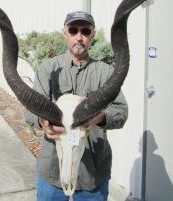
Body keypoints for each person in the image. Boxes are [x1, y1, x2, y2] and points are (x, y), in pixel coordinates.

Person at [25, 11, 128, 201]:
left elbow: (121, 111)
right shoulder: (47, 69)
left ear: (92, 34)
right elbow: (30, 112)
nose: (79, 37)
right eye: (73, 30)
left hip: (93, 175)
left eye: (85, 31)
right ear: (64, 32)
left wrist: (101, 117)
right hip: (53, 171)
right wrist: (43, 121)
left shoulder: (106, 73)